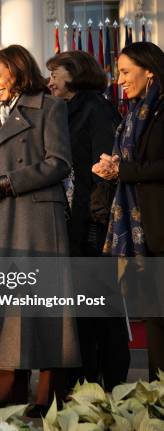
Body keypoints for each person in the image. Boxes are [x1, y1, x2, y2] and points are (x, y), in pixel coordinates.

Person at [0, 45, 80, 411]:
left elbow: (59, 162)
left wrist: (8, 182)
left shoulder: (50, 107)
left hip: (35, 221)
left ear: (18, 71)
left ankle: (49, 400)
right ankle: (7, 397)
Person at [46, 50, 127, 391]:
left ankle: (112, 386)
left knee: (101, 310)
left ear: (75, 73)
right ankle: (85, 384)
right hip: (72, 224)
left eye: (55, 73)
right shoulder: (61, 111)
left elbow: (104, 169)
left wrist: (96, 223)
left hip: (93, 226)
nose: (50, 80)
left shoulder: (95, 108)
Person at [92, 41, 164, 382]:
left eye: (124, 71)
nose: (118, 79)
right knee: (155, 320)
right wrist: (113, 168)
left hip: (160, 226)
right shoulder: (132, 114)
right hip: (144, 233)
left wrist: (125, 171)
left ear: (149, 69)